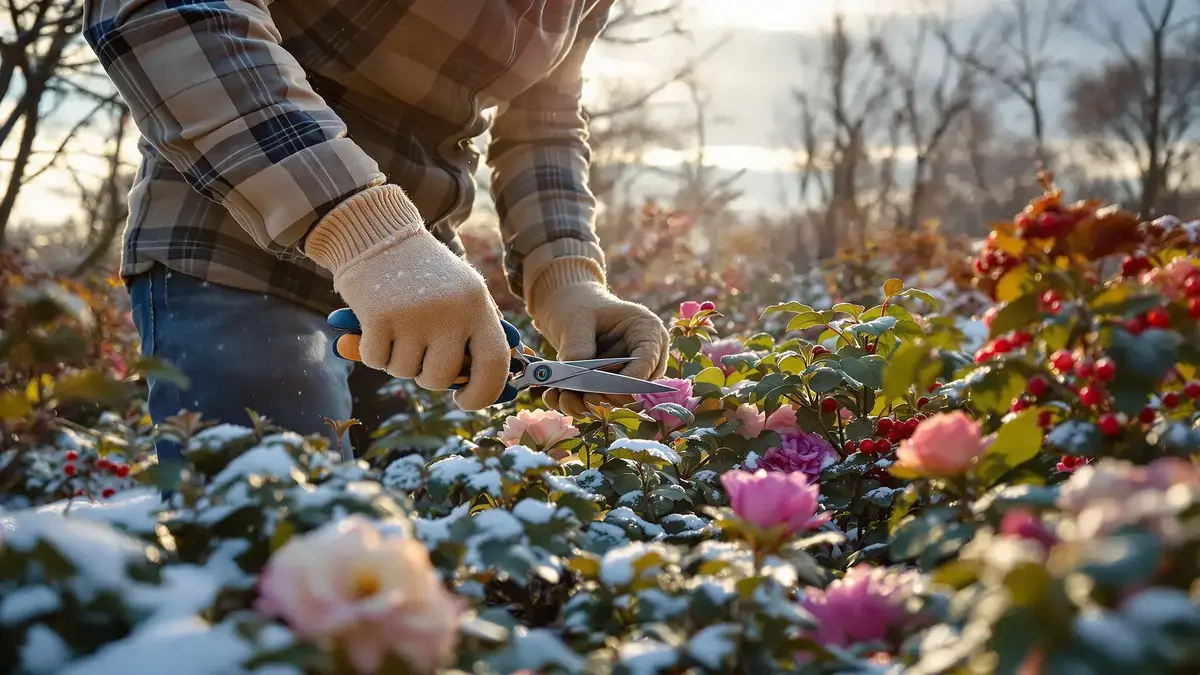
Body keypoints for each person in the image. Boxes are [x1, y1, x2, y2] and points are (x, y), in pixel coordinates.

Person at [83, 0, 670, 460]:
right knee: (280, 545)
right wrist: (365, 234)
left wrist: (566, 281)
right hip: (232, 247)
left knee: (421, 545)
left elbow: (546, 124)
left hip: (423, 299)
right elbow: (169, 10)